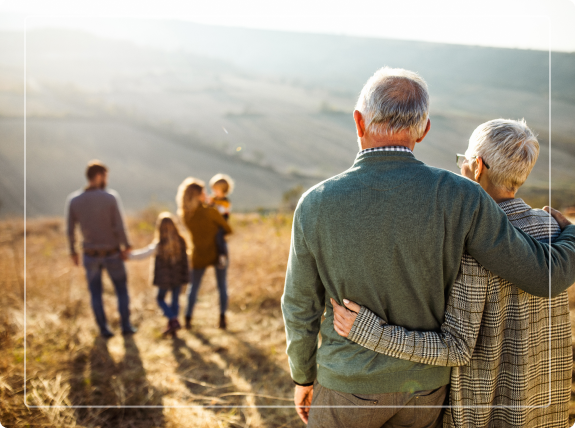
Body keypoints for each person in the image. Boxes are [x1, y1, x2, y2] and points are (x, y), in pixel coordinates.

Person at [280, 67, 575, 428]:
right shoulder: (462, 196)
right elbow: (537, 272)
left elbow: (299, 306)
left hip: (347, 387)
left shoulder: (315, 203)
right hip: (426, 391)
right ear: (424, 129)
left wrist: (303, 376)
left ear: (358, 122)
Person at [66, 160, 137, 338]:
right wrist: (127, 246)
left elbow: (70, 229)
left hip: (90, 255)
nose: (106, 180)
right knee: (121, 289)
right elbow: (119, 226)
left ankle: (104, 329)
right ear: (98, 176)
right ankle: (126, 326)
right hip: (112, 252)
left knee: (95, 293)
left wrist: (73, 252)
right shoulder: (110, 197)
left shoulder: (74, 200)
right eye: (105, 176)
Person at [177, 177, 232, 330]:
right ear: (199, 195)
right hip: (218, 251)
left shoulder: (186, 216)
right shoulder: (210, 212)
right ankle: (222, 318)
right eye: (204, 192)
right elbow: (227, 228)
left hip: (198, 253)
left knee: (193, 287)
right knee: (222, 285)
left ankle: (187, 318)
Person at [129, 212, 189, 337]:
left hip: (164, 279)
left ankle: (173, 320)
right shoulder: (181, 241)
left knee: (160, 299)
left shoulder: (159, 244)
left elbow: (143, 254)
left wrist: (128, 256)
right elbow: (186, 260)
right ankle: (173, 325)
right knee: (175, 301)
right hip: (178, 277)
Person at [208, 173, 235, 269]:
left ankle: (222, 256)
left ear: (223, 190)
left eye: (216, 189)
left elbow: (220, 211)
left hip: (221, 225)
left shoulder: (226, 202)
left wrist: (212, 206)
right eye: (213, 189)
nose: (214, 191)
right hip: (212, 224)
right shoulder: (213, 199)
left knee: (219, 238)